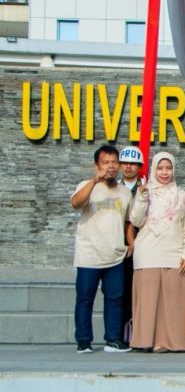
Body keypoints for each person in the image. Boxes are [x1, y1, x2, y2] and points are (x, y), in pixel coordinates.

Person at [128, 151, 185, 352]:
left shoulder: (182, 195)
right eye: (160, 168)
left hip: (174, 252)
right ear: (153, 169)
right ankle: (145, 341)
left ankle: (172, 342)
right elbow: (136, 221)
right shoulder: (145, 191)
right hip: (148, 253)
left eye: (168, 168)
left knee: (173, 301)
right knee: (148, 301)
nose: (164, 172)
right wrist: (141, 197)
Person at [70, 144, 132, 353]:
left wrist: (130, 242)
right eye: (106, 162)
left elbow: (128, 222)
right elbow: (76, 203)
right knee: (85, 298)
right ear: (97, 164)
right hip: (89, 254)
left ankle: (113, 339)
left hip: (115, 254)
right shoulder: (87, 186)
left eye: (115, 162)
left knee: (115, 298)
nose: (111, 167)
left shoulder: (125, 192)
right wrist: (94, 181)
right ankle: (84, 341)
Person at [118, 145, 144, 342]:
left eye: (133, 164)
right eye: (125, 163)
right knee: (122, 290)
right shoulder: (115, 187)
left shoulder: (146, 187)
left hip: (143, 246)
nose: (128, 167)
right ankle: (123, 329)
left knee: (140, 289)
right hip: (119, 247)